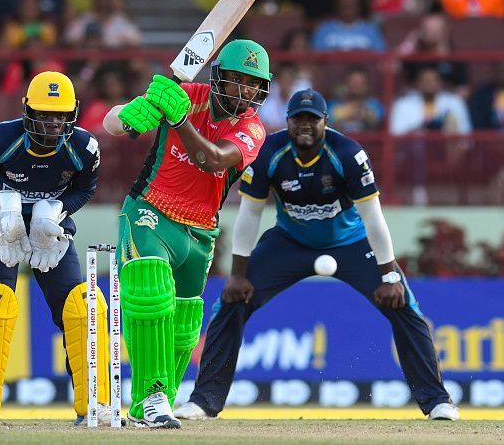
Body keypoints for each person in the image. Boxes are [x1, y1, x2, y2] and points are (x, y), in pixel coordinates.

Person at [175, 88, 460, 422]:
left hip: (350, 241)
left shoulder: (348, 154)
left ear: (326, 121)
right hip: (290, 241)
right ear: (288, 122)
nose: (305, 125)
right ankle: (204, 402)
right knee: (230, 302)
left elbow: (373, 218)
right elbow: (250, 214)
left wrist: (390, 276)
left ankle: (437, 402)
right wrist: (238, 274)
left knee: (404, 306)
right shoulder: (269, 151)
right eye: (298, 119)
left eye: (313, 119)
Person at [103, 39, 272, 428]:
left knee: (183, 325)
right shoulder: (186, 96)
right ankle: (153, 396)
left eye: (255, 84)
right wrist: (132, 112)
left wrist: (178, 122)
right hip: (150, 210)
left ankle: (152, 404)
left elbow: (213, 160)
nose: (247, 91)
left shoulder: (252, 127)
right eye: (240, 81)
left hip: (200, 232)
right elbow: (113, 125)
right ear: (220, 78)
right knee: (150, 295)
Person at [0, 71, 110, 428]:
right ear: (28, 111)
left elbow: (86, 188)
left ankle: (95, 404)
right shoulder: (1, 138)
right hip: (2, 227)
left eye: (59, 115)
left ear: (72, 113)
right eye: (44, 114)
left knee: (81, 305)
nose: (52, 123)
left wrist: (59, 210)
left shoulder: (85, 149)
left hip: (50, 230)